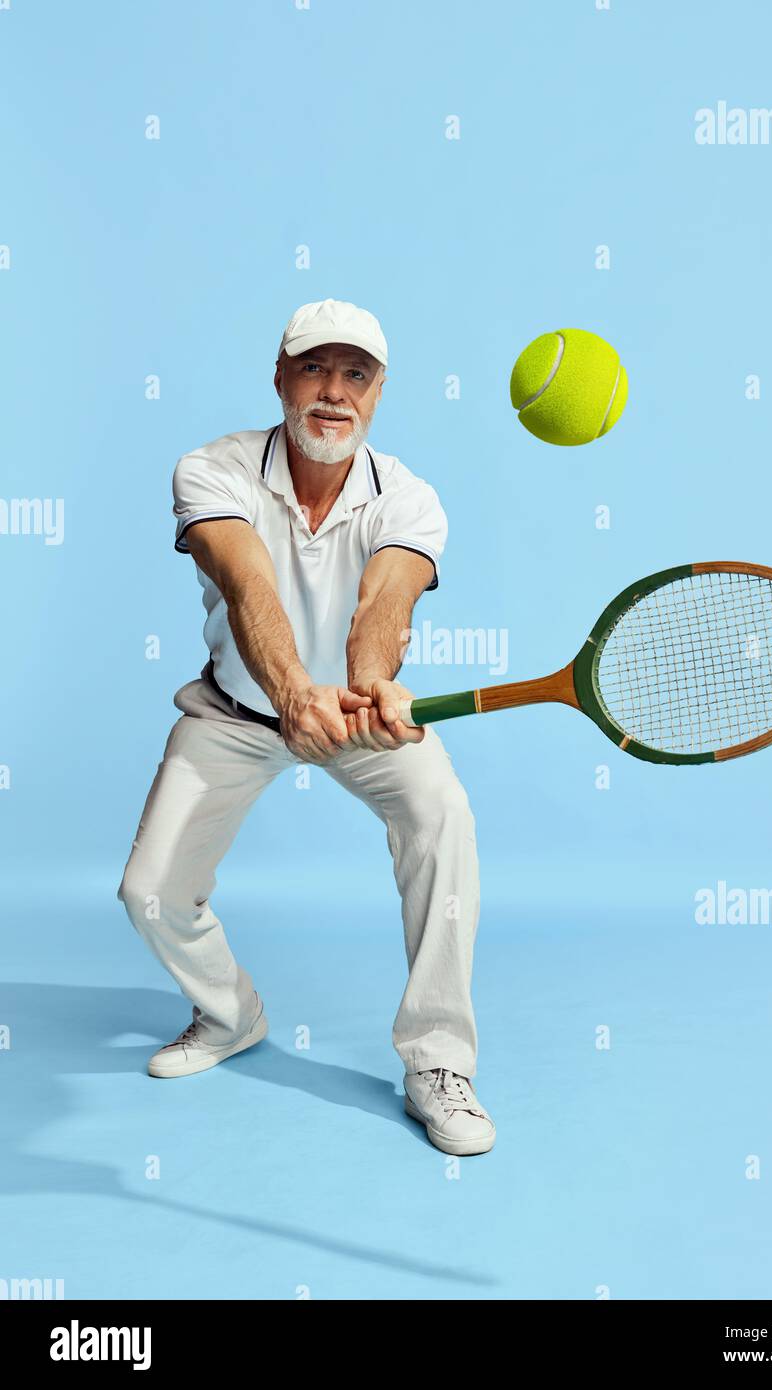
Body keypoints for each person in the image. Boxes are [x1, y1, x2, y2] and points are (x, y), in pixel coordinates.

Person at [117, 298, 494, 1157]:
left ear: (379, 392)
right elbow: (246, 582)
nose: (334, 392)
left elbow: (385, 601)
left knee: (444, 821)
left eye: (355, 374)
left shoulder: (410, 496)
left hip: (360, 717)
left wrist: (369, 685)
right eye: (315, 369)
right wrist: (293, 694)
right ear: (280, 377)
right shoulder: (212, 469)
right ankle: (229, 1014)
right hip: (238, 711)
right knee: (149, 891)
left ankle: (439, 1063)